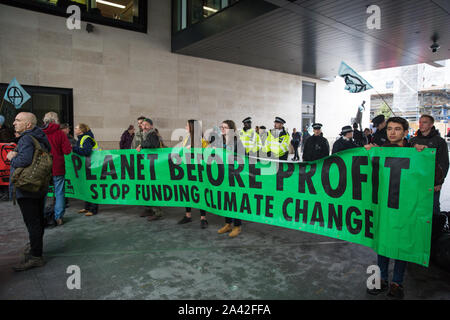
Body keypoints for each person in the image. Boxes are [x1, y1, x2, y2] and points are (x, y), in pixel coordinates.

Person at [364, 116, 415, 299]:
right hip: (384, 207)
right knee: (383, 244)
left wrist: (425, 156)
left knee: (401, 245)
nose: (392, 132)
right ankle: (382, 279)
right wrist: (367, 153)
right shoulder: (380, 150)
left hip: (405, 208)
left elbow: (435, 176)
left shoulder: (415, 152)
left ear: (405, 132)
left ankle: (397, 282)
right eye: (390, 129)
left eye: (397, 129)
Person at [7, 112, 51, 271]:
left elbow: (24, 160)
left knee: (32, 222)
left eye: (18, 120)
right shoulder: (41, 138)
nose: (14, 123)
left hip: (26, 187)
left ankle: (35, 256)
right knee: (37, 220)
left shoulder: (26, 138)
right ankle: (35, 248)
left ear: (28, 125)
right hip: (38, 185)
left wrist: (12, 156)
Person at [409, 115, 449, 216]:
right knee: (414, 205)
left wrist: (439, 182)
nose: (421, 124)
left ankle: (436, 230)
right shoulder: (413, 141)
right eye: (420, 122)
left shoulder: (439, 141)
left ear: (431, 125)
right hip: (415, 179)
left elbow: (444, 162)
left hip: (432, 180)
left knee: (433, 206)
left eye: (425, 122)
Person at [177, 120, 209, 228]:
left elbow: (207, 154)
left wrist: (195, 149)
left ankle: (203, 218)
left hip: (198, 170)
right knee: (187, 192)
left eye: (187, 125)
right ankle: (188, 216)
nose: (185, 126)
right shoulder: (187, 138)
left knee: (200, 193)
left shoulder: (202, 139)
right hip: (187, 169)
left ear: (192, 126)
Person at [42, 112, 72, 226]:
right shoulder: (60, 134)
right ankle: (58, 217)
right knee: (59, 192)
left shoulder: (39, 133)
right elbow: (67, 151)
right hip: (57, 166)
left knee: (43, 193)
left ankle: (41, 216)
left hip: (43, 167)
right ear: (56, 120)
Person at [217, 120, 245, 238]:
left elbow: (242, 159)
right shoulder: (220, 142)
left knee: (235, 200)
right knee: (226, 200)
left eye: (225, 127)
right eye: (221, 127)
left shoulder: (237, 143)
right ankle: (228, 224)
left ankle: (237, 226)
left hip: (235, 176)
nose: (222, 129)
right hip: (224, 176)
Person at [137, 118, 164, 221]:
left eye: (146, 125)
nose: (144, 127)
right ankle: (149, 208)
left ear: (151, 126)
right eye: (143, 125)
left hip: (153, 166)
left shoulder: (152, 134)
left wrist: (141, 145)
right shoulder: (147, 134)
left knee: (152, 189)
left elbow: (153, 145)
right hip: (148, 166)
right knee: (147, 188)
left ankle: (158, 212)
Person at [73, 123, 100, 216]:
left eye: (76, 128)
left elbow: (87, 152)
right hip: (87, 166)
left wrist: (73, 149)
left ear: (81, 130)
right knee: (87, 187)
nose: (75, 129)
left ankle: (93, 209)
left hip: (92, 166)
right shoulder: (82, 139)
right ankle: (87, 207)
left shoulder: (86, 139)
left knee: (92, 187)